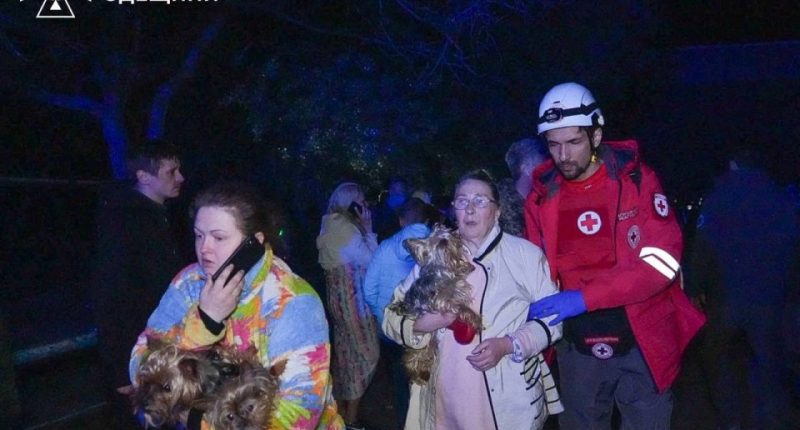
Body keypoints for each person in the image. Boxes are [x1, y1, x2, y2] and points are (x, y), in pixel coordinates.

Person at [524, 82, 706, 430]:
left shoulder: (637, 181)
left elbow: (663, 261)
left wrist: (585, 297)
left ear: (595, 135)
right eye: (554, 144)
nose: (563, 156)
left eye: (574, 142)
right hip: (576, 345)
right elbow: (533, 269)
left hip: (640, 336)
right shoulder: (540, 196)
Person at [129, 181, 343, 429]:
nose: (204, 248)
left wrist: (199, 421)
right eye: (199, 236)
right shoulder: (189, 283)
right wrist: (204, 322)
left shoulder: (294, 301)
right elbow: (139, 363)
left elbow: (299, 416)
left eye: (218, 237)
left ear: (255, 242)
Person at [384, 169, 563, 430]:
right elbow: (391, 315)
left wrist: (507, 344)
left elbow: (552, 321)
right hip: (443, 397)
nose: (469, 209)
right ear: (453, 208)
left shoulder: (525, 255)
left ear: (497, 210)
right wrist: (424, 324)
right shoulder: (434, 255)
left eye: (480, 201)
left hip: (508, 397)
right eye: (462, 201)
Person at [688, 149, 800, 429]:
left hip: (727, 299)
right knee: (770, 362)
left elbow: (703, 247)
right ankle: (773, 419)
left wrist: (695, 286)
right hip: (770, 299)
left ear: (733, 164)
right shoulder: (778, 196)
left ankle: (732, 419)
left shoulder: (720, 196)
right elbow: (793, 244)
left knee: (717, 357)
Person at [89, 139, 186, 429]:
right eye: (171, 172)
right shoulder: (122, 223)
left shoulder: (162, 216)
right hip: (140, 352)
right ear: (144, 177)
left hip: (166, 345)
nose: (181, 177)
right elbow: (110, 295)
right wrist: (120, 368)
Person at [363, 197, 433, 428]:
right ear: (426, 219)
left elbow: (368, 289)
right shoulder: (435, 246)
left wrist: (383, 314)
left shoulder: (384, 248)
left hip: (392, 330)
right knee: (425, 380)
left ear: (401, 220)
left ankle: (406, 421)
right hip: (424, 326)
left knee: (399, 379)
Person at [316, 182, 380, 430]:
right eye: (361, 201)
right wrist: (369, 229)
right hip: (354, 301)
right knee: (367, 353)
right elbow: (371, 261)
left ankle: (342, 415)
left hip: (339, 300)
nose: (365, 206)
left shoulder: (329, 223)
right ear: (350, 203)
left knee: (347, 356)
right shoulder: (345, 229)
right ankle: (350, 418)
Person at [497, 137, 548, 237]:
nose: (547, 167)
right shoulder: (501, 205)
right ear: (526, 168)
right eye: (542, 162)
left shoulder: (543, 199)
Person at [373, 176, 410, 241]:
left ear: (404, 192)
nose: (395, 194)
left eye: (400, 192)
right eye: (393, 190)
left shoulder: (411, 211)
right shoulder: (379, 210)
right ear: (390, 191)